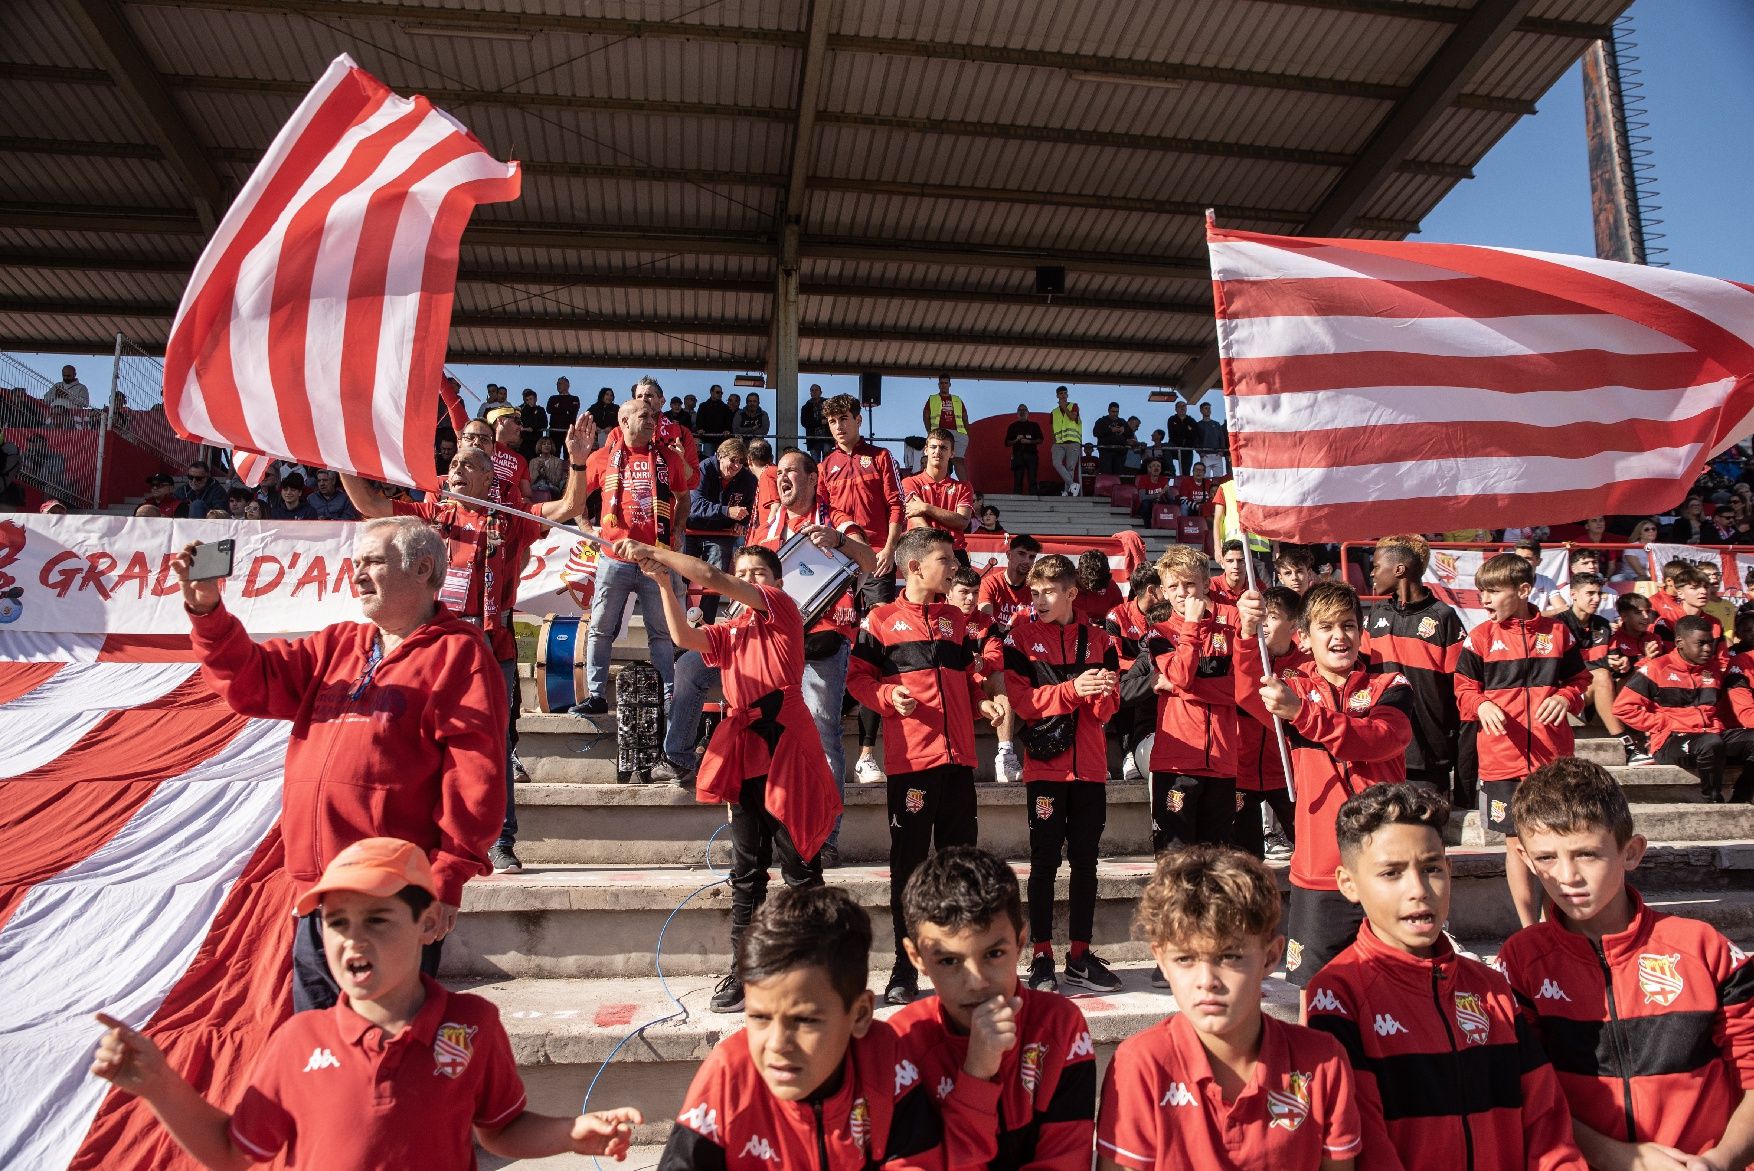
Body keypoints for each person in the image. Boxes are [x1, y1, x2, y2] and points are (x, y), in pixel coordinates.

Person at [89, 837, 643, 1170]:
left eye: (377, 919)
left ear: (428, 924)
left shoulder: (471, 1025)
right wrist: (158, 1083)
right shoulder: (297, 1041)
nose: (353, 939)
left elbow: (500, 1128)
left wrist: (571, 1133)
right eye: (336, 923)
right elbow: (236, 1154)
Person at [177, 518, 507, 1010]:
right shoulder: (335, 644)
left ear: (422, 569)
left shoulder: (460, 655)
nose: (358, 574)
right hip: (320, 894)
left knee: (381, 1051)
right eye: (355, 564)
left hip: (394, 897)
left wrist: (446, 879)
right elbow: (252, 680)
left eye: (372, 562)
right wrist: (207, 611)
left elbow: (475, 779)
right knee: (320, 1048)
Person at [1303, 783, 1587, 1171]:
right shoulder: (1338, 996)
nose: (1418, 890)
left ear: (1450, 871)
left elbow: (1546, 1122)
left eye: (1432, 868)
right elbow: (1364, 1146)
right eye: (1391, 873)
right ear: (1348, 884)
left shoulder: (1491, 988)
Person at [344, 429, 591, 873]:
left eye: (467, 466)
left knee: (494, 746)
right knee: (417, 739)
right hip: (434, 647)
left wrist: (576, 462)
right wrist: (341, 460)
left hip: (493, 649)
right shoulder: (431, 514)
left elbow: (568, 508)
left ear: (487, 477)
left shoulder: (509, 516)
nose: (455, 470)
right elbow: (371, 506)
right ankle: (419, 834)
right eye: (453, 463)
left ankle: (500, 841)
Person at [619, 538, 841, 1015]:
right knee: (747, 871)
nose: (750, 579)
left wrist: (648, 547)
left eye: (758, 573)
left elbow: (714, 577)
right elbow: (684, 638)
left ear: (777, 583)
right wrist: (662, 581)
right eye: (745, 571)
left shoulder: (781, 609)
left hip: (787, 746)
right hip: (745, 748)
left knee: (801, 866)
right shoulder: (732, 631)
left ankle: (818, 972)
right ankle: (743, 971)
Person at [1501, 759, 1754, 1171]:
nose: (1567, 876)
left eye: (1586, 854)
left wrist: (1720, 1160)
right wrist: (1618, 1157)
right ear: (1526, 859)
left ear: (1631, 852)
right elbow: (1526, 1089)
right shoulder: (1520, 962)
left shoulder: (1704, 948)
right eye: (1546, 857)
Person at [655, 451, 875, 872]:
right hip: (762, 640)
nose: (783, 478)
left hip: (822, 638)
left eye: (793, 471)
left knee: (824, 731)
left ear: (813, 477)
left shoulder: (837, 517)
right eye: (780, 473)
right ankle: (679, 758)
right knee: (688, 668)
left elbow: (871, 562)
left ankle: (824, 836)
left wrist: (840, 541)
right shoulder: (766, 520)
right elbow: (742, 578)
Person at [1097, 846, 1362, 1171]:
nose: (1207, 980)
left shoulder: (1322, 1062)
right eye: (1185, 959)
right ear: (1161, 961)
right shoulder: (1141, 1065)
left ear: (1270, 956)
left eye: (1230, 956)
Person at [659, 886, 944, 1168]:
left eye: (804, 1020)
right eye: (759, 1017)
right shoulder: (730, 1074)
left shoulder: (883, 1061)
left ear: (859, 1015)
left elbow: (917, 1160)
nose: (778, 1043)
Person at [849, 528, 1007, 1004]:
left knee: (961, 863)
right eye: (944, 559)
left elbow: (966, 679)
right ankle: (905, 964)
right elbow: (857, 679)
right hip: (913, 763)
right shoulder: (878, 620)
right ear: (914, 567)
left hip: (959, 760)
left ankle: (961, 961)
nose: (953, 567)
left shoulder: (955, 622)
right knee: (910, 867)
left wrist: (982, 705)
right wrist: (886, 696)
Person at [1234, 583, 1412, 998]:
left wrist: (1304, 716)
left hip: (1385, 863)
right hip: (1320, 869)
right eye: (1326, 626)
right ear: (1304, 637)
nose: (1339, 636)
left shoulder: (1390, 683)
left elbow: (1382, 737)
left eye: (1349, 626)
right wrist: (1246, 632)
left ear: (1361, 631)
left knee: (1393, 990)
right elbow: (1246, 690)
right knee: (1314, 992)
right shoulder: (1291, 687)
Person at [890, 847, 1097, 1171]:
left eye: (994, 954)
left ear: (1021, 940)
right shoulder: (901, 1043)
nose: (976, 982)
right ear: (917, 958)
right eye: (948, 961)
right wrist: (976, 1075)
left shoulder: (1060, 1026)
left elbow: (1066, 1160)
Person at [1003, 553, 1122, 994]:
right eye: (1034, 592)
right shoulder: (1019, 637)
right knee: (1044, 863)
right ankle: (1040, 957)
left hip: (1090, 768)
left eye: (1049, 591)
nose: (1040, 599)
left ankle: (1078, 955)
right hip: (1046, 771)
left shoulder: (1101, 639)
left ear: (1072, 593)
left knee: (1086, 864)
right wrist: (1075, 689)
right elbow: (1022, 702)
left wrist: (1104, 693)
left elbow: (1110, 710)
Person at [1454, 551, 1591, 928]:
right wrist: (1480, 705)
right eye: (1481, 591)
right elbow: (1463, 689)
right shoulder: (1479, 638)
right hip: (1502, 761)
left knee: (1554, 842)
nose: (1484, 600)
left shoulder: (1559, 633)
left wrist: (1565, 697)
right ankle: (1530, 929)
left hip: (1553, 760)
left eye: (1493, 592)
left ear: (1524, 590)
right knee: (1515, 844)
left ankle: (1558, 925)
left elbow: (1580, 681)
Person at [1124, 545, 1240, 860]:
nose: (1181, 593)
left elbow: (1242, 689)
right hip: (1175, 763)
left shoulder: (1232, 627)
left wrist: (1181, 690)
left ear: (1206, 585)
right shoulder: (1159, 633)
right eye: (1173, 586)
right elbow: (1181, 675)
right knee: (1174, 866)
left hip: (1221, 761)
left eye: (1189, 584)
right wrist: (1191, 626)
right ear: (1162, 590)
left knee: (1217, 868)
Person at [573, 400, 682, 714]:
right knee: (600, 629)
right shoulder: (601, 458)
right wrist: (588, 529)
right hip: (613, 559)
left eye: (653, 416)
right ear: (623, 420)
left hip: (656, 561)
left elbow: (683, 497)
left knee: (661, 634)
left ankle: (667, 699)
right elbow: (577, 497)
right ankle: (595, 696)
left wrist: (675, 533)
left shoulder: (668, 458)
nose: (651, 421)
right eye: (643, 415)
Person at [819, 393, 905, 785]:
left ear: (858, 420)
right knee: (838, 642)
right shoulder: (825, 466)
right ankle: (825, 734)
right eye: (833, 421)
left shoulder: (883, 457)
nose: (839, 426)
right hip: (837, 565)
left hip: (876, 562)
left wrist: (887, 549)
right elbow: (824, 512)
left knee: (876, 648)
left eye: (845, 419)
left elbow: (896, 506)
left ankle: (868, 754)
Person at [1363, 535, 1464, 801]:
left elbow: (1461, 691)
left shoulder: (1444, 618)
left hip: (1429, 757)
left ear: (1399, 569)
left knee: (1427, 838)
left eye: (1376, 565)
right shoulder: (1375, 616)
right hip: (1382, 752)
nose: (1371, 573)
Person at [1616, 614, 1754, 803]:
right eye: (1701, 643)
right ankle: (1713, 800)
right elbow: (1623, 708)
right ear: (1679, 642)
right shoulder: (1657, 668)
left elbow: (1723, 710)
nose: (1708, 649)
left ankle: (1742, 798)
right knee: (1710, 743)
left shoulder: (1713, 670)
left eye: (1711, 643)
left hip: (1711, 735)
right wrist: (1664, 723)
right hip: (1671, 741)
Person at [1233, 586, 1305, 864]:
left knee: (1308, 846)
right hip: (1242, 771)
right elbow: (1243, 692)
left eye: (1272, 616)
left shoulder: (1307, 664)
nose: (1264, 622)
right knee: (1244, 861)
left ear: (1294, 624)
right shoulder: (1243, 651)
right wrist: (1247, 637)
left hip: (1287, 773)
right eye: (1260, 615)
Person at [687, 437, 757, 621]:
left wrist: (742, 522)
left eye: (741, 462)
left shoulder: (749, 479)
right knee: (681, 577)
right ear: (720, 456)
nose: (736, 466)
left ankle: (705, 626)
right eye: (732, 460)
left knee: (715, 580)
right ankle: (677, 624)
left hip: (720, 534)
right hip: (691, 530)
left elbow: (752, 508)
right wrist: (727, 511)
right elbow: (695, 506)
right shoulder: (703, 468)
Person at [1105, 563, 1161, 783]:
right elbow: (1113, 658)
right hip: (1128, 673)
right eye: (1163, 586)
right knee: (1123, 688)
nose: (1167, 591)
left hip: (1151, 673)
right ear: (1151, 590)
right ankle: (1128, 753)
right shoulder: (1117, 616)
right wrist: (1143, 668)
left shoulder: (1165, 614)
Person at [900, 428, 975, 563]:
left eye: (943, 447)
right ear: (926, 450)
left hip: (956, 552)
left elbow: (962, 522)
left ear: (952, 453)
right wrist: (943, 552)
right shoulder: (909, 482)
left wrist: (926, 507)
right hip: (922, 552)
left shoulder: (963, 487)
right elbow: (917, 521)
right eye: (933, 447)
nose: (937, 451)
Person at [978, 534, 1041, 628]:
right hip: (995, 638)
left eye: (1031, 557)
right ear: (1009, 555)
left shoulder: (1037, 587)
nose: (1027, 561)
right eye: (1021, 554)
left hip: (1024, 640)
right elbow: (986, 620)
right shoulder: (990, 583)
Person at [922, 375, 971, 482]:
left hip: (958, 433)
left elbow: (965, 417)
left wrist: (968, 434)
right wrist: (930, 432)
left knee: (958, 460)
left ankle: (966, 487)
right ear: (939, 385)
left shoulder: (957, 399)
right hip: (940, 432)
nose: (944, 385)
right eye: (942, 383)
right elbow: (925, 415)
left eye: (946, 383)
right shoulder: (933, 399)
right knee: (942, 460)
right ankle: (944, 485)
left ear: (949, 384)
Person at [1049, 386, 1083, 495]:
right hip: (1059, 443)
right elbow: (1053, 429)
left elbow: (1073, 417)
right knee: (1056, 463)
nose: (1063, 395)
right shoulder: (1053, 412)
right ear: (1057, 396)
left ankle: (1068, 491)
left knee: (1070, 467)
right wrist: (1053, 443)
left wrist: (1064, 407)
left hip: (1073, 442)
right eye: (1061, 393)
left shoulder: (1074, 406)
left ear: (1067, 395)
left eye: (1065, 393)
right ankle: (1073, 484)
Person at [1004, 404, 1043, 495]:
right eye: (1020, 410)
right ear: (1017, 413)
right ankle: (1017, 499)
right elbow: (1007, 443)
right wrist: (1016, 440)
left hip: (1031, 455)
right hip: (1018, 455)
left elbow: (1040, 439)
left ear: (1028, 413)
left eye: (1024, 410)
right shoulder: (1012, 426)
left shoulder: (1034, 425)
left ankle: (1034, 499)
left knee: (1032, 478)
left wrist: (1028, 442)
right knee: (1017, 479)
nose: (1022, 412)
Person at [1092, 403, 1130, 476]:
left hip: (1120, 454)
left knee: (1118, 477)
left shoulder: (1122, 421)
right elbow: (1095, 432)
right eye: (1113, 411)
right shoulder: (1101, 421)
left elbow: (1130, 434)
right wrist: (1111, 430)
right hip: (1106, 453)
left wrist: (1124, 430)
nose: (1115, 414)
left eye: (1117, 412)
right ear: (1108, 411)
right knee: (1107, 476)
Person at [694, 383, 732, 453]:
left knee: (721, 461)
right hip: (708, 439)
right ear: (711, 392)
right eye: (717, 392)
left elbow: (728, 421)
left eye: (721, 393)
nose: (720, 394)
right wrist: (700, 429)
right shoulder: (703, 406)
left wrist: (727, 430)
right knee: (708, 461)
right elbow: (699, 420)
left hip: (721, 440)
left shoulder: (725, 407)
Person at [1166, 401, 1201, 475]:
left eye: (1184, 406)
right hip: (1174, 446)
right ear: (1176, 409)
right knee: (1166, 450)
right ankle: (1171, 471)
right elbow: (1172, 435)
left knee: (1186, 473)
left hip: (1187, 449)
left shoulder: (1191, 421)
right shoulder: (1172, 419)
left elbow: (1194, 435)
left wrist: (1187, 442)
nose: (1182, 408)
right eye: (1179, 406)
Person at [1132, 458, 1171, 523]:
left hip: (1159, 504)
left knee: (1172, 502)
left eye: (1158, 466)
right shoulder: (1143, 479)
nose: (1156, 468)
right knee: (1146, 503)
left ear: (1160, 469)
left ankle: (1170, 524)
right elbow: (1143, 497)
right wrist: (1158, 495)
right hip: (1146, 506)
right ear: (1149, 469)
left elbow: (1169, 498)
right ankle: (1148, 526)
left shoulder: (1164, 479)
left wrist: (1167, 491)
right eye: (1154, 466)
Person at [527, 435, 565, 503]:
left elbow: (556, 482)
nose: (546, 446)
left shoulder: (558, 461)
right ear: (540, 446)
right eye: (544, 444)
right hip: (536, 486)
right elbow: (531, 482)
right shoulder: (533, 461)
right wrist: (537, 470)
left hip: (552, 488)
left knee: (544, 488)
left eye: (549, 444)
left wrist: (545, 468)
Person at [545, 375, 580, 446]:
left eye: (560, 384)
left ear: (567, 385)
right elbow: (549, 409)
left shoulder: (574, 399)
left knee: (568, 454)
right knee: (554, 454)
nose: (558, 386)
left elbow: (573, 410)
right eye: (557, 384)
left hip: (569, 431)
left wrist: (558, 407)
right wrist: (566, 409)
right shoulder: (553, 398)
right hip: (555, 431)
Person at [801, 382, 831, 461]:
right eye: (812, 390)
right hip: (813, 439)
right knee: (815, 463)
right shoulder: (805, 407)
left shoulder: (828, 404)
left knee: (827, 462)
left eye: (816, 390)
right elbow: (804, 422)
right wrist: (820, 422)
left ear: (820, 392)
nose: (814, 392)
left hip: (827, 438)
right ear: (810, 393)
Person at [1195, 401, 1227, 469]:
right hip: (1205, 455)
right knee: (1206, 477)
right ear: (1201, 411)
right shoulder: (1198, 425)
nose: (1208, 410)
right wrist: (1200, 452)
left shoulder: (1216, 424)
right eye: (1206, 408)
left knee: (1218, 478)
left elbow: (1221, 438)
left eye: (1209, 408)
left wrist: (1221, 451)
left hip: (1217, 455)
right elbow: (1195, 440)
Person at [516, 389, 547, 458]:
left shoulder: (540, 409)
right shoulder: (522, 410)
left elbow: (544, 424)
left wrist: (533, 428)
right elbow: (519, 421)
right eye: (527, 400)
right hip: (524, 440)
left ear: (535, 399)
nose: (529, 401)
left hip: (536, 440)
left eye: (531, 399)